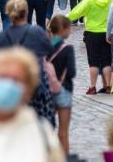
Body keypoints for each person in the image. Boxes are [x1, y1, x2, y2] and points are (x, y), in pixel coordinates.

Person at [0, 0, 56, 124]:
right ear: (26, 12)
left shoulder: (2, 37)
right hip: (35, 87)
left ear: (9, 14)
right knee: (42, 129)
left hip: (11, 89)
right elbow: (50, 52)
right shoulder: (37, 32)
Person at [68, 0, 113, 94]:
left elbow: (77, 12)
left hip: (92, 33)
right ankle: (108, 86)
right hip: (107, 33)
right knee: (107, 61)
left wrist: (65, 19)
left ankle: (93, 87)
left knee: (93, 62)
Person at [47, 15, 76, 153]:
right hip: (64, 90)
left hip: (48, 91)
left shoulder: (45, 47)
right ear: (63, 29)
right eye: (69, 28)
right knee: (63, 133)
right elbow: (72, 72)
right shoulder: (67, 48)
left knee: (47, 130)